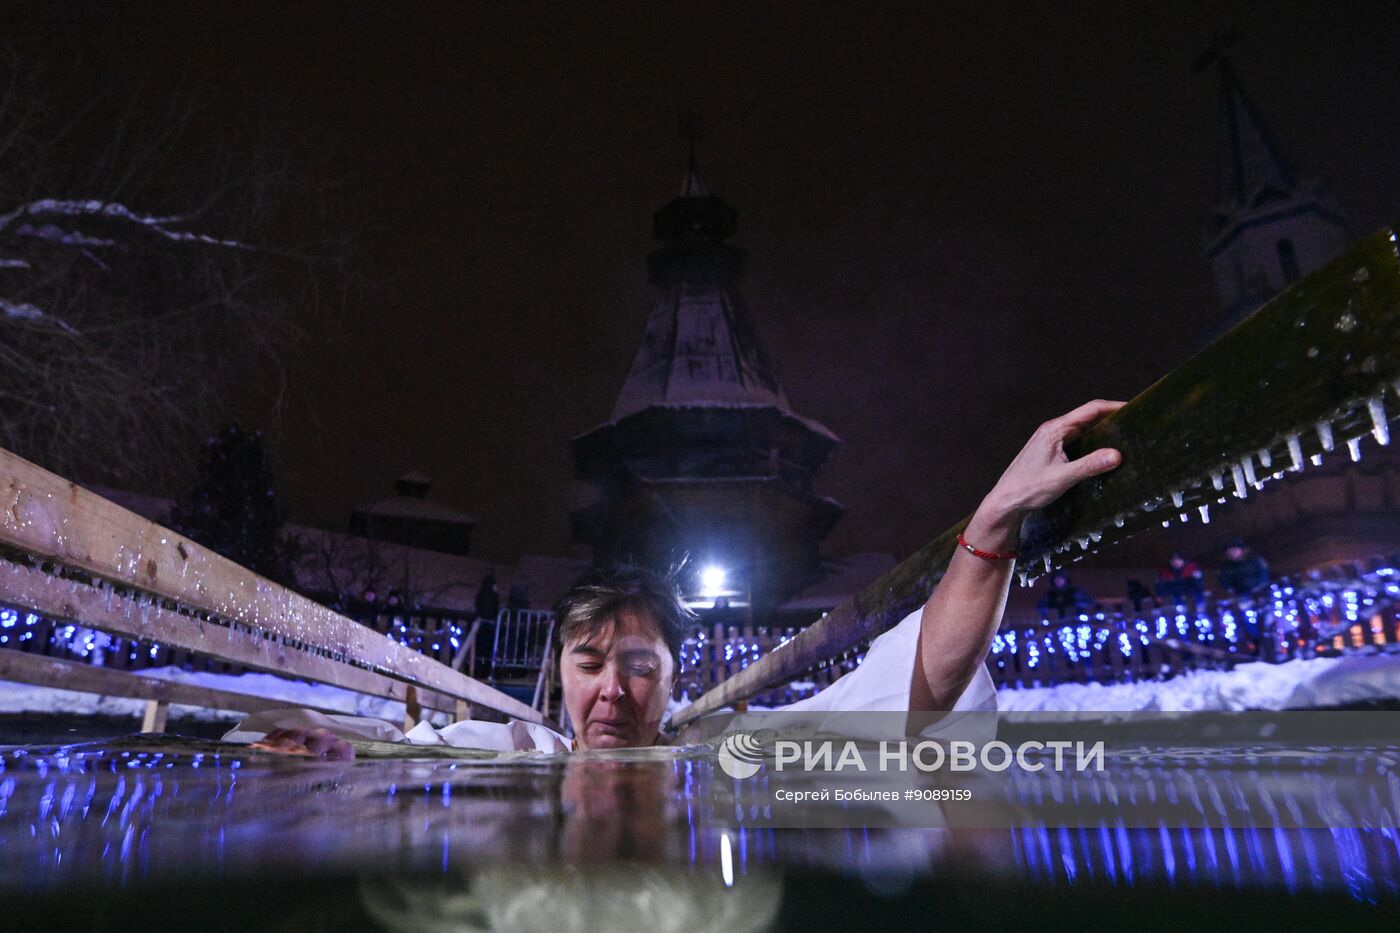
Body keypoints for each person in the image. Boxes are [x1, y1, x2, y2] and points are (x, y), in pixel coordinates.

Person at [232, 399, 1125, 757]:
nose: (614, 689)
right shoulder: (515, 753)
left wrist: (992, 525)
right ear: (555, 677)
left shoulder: (726, 750)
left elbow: (920, 681)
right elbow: (362, 742)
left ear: (676, 674)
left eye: (639, 662)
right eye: (589, 662)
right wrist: (311, 738)